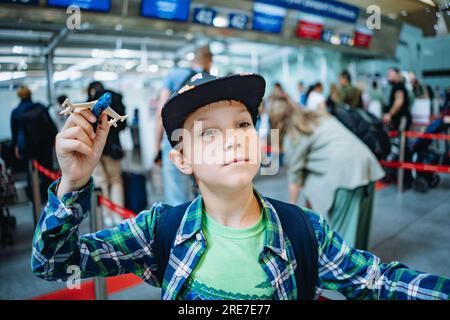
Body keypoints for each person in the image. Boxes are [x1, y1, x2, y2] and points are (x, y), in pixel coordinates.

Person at [32, 72, 450, 300]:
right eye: (208, 133)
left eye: (243, 124)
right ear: (182, 159)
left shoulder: (303, 232)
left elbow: (379, 282)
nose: (233, 137)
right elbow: (53, 262)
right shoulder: (160, 230)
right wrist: (73, 181)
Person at [269, 98, 384, 250]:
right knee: (360, 233)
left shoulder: (294, 136)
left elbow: (295, 179)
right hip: (366, 165)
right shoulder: (317, 117)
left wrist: (290, 214)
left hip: (345, 174)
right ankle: (364, 271)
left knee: (343, 243)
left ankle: (346, 272)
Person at [154, 45, 213, 205]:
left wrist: (156, 149)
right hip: (206, 143)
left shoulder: (174, 75)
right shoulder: (211, 79)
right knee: (208, 193)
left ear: (194, 59)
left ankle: (181, 228)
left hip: (175, 142)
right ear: (209, 62)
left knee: (176, 197)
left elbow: (161, 113)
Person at [87, 81, 127, 227]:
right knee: (116, 181)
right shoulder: (116, 98)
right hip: (113, 148)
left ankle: (106, 215)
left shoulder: (89, 102)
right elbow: (123, 124)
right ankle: (118, 214)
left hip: (95, 148)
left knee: (101, 182)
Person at [10, 85, 58, 202]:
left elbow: (15, 134)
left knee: (31, 174)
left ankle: (35, 199)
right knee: (47, 172)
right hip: (44, 147)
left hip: (27, 149)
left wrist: (17, 147)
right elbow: (52, 128)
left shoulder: (16, 112)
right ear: (30, 94)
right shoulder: (40, 108)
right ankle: (49, 197)